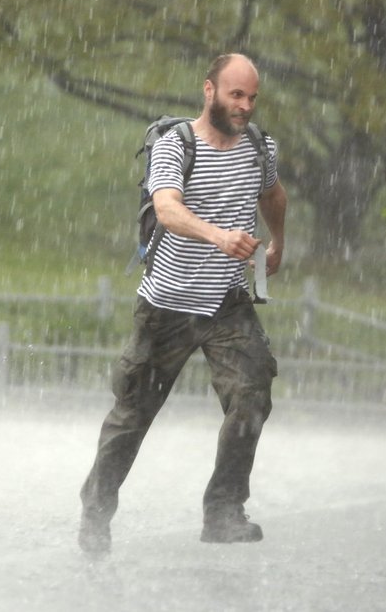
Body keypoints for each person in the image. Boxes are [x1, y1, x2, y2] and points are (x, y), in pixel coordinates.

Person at [78, 53, 288, 555]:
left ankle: (223, 510)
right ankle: (96, 512)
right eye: (236, 95)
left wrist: (278, 242)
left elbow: (273, 195)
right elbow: (168, 208)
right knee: (132, 416)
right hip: (166, 307)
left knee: (253, 394)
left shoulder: (260, 146)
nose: (246, 106)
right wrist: (218, 237)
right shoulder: (176, 145)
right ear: (209, 90)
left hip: (226, 304)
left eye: (253, 97)